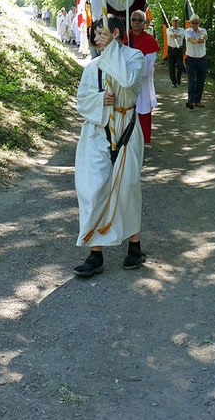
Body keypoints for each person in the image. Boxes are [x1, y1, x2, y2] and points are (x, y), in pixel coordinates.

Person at [73, 16, 146, 276]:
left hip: (126, 128)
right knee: (92, 188)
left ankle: (134, 248)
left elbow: (127, 81)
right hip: (97, 131)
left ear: (115, 33)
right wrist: (100, 99)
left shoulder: (135, 57)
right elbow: (82, 102)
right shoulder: (92, 67)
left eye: (100, 34)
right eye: (94, 35)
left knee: (127, 188)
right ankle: (95, 254)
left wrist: (113, 49)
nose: (95, 39)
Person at [124, 9, 159, 145]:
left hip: (142, 84)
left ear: (144, 23)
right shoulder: (124, 37)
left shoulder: (150, 41)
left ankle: (141, 142)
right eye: (134, 20)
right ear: (130, 22)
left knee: (142, 112)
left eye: (140, 20)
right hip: (125, 82)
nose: (136, 23)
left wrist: (133, 67)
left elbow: (147, 67)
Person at [185, 15, 208, 109]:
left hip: (202, 59)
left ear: (199, 23)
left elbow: (204, 36)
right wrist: (197, 41)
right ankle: (190, 101)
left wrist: (202, 38)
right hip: (190, 59)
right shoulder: (187, 31)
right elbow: (190, 40)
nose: (195, 24)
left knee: (200, 81)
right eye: (193, 23)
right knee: (191, 81)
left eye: (196, 23)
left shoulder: (203, 30)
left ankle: (197, 101)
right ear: (190, 23)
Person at [166, 16, 185, 87]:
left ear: (178, 22)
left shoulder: (182, 29)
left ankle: (178, 80)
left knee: (180, 66)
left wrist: (176, 35)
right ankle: (173, 82)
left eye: (176, 21)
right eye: (174, 21)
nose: (175, 22)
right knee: (171, 67)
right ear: (171, 22)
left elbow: (182, 35)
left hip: (179, 49)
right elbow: (169, 34)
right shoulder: (169, 29)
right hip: (171, 50)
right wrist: (172, 34)